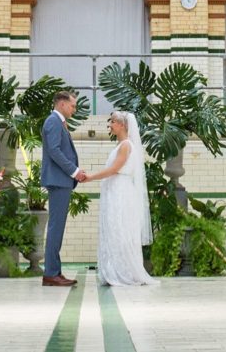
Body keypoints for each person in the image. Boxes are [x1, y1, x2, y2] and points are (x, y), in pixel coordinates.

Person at [84, 111, 158, 286]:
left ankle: (123, 272)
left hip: (120, 192)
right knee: (114, 228)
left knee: (120, 228)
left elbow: (114, 169)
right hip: (115, 190)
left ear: (123, 125)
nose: (110, 125)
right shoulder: (121, 145)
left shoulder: (126, 145)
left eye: (113, 122)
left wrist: (90, 177)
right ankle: (114, 269)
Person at [40, 90, 87, 287]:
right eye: (72, 106)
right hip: (59, 181)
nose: (74, 109)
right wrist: (74, 171)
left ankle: (54, 272)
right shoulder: (53, 121)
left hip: (62, 181)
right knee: (55, 228)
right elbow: (54, 151)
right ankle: (51, 273)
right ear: (61, 104)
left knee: (57, 229)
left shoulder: (58, 123)